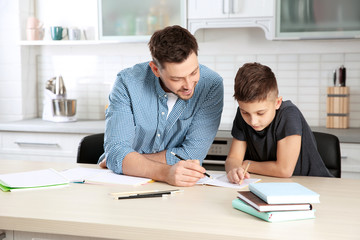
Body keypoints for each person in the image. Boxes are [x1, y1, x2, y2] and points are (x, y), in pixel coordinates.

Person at [98, 25, 224, 187]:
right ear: (156, 69)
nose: (188, 86)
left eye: (193, 72)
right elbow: (116, 152)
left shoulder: (211, 84)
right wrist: (165, 172)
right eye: (177, 79)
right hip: (124, 184)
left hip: (176, 190)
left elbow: (193, 155)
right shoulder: (127, 82)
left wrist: (127, 160)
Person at [225, 62, 332, 184]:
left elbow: (284, 170)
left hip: (315, 185)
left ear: (277, 102)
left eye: (260, 113)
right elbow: (233, 158)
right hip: (274, 185)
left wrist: (246, 164)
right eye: (245, 113)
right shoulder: (242, 114)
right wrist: (234, 170)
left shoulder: (289, 114)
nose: (253, 121)